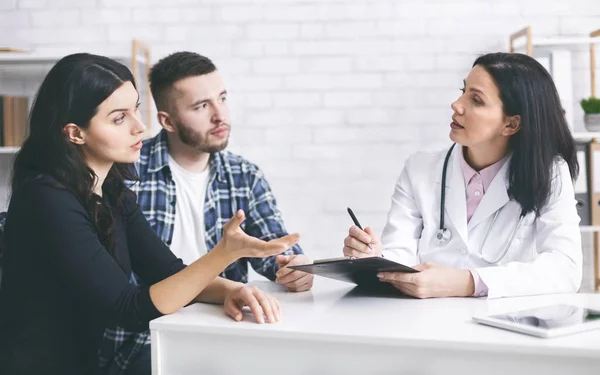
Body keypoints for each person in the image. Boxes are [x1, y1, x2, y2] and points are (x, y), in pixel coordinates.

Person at [0, 53, 298, 375]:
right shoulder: (46, 198)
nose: (140, 127)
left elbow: (168, 271)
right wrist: (224, 254)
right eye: (119, 118)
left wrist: (233, 290)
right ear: (75, 133)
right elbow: (128, 308)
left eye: (136, 109)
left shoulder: (113, 190)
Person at [343, 52, 582, 299]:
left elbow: (565, 269)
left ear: (510, 125)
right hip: (426, 324)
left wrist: (467, 282)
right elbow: (400, 256)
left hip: (507, 326)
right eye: (463, 91)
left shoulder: (549, 173)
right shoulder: (419, 170)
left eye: (476, 100)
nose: (456, 105)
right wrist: (373, 259)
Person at [130, 51, 313, 292]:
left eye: (222, 99)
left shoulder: (244, 176)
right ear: (168, 121)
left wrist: (295, 269)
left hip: (223, 322)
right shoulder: (129, 172)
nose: (220, 116)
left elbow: (273, 246)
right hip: (148, 326)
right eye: (202, 106)